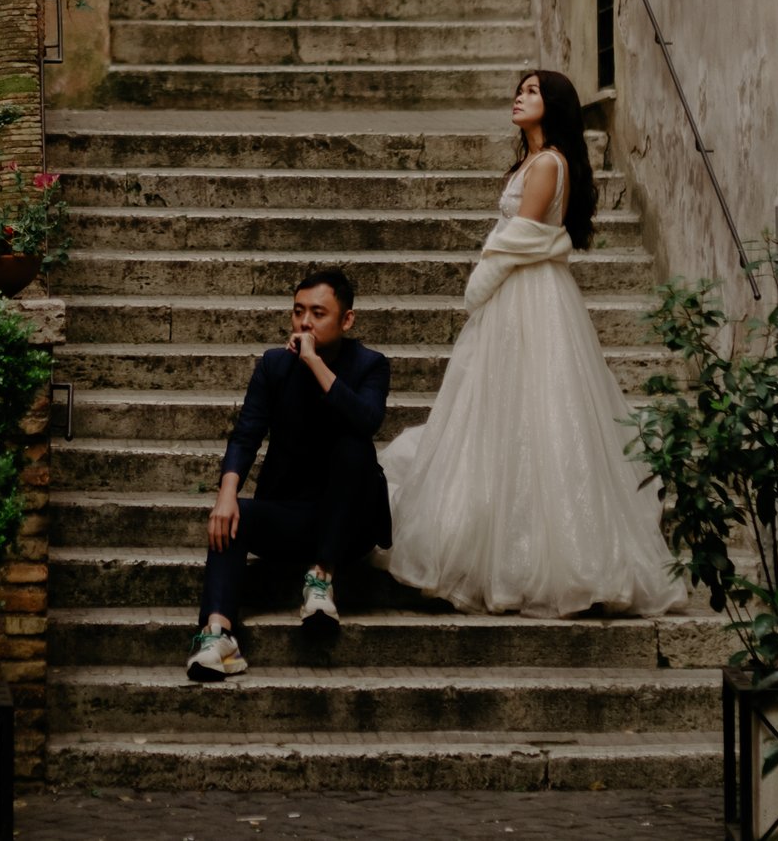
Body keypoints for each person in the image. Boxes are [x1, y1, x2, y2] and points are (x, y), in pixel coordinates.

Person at [378, 69, 687, 618]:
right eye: (519, 90)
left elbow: (521, 236)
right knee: (506, 412)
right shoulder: (532, 161)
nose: (519, 97)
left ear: (554, 104)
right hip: (520, 290)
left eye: (531, 91)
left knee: (542, 411)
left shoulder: (548, 163)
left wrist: (479, 283)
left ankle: (554, 559)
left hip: (530, 293)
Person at [185, 268, 392, 681]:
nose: (305, 322)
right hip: (290, 515)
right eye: (298, 312)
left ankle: (321, 578)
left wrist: (314, 361)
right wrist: (226, 494)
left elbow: (367, 419)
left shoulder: (370, 365)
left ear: (347, 320)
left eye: (318, 313)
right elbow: (247, 433)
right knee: (234, 516)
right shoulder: (275, 365)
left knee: (354, 446)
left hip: (350, 526)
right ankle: (218, 635)